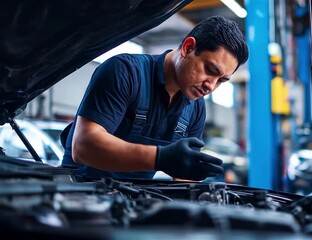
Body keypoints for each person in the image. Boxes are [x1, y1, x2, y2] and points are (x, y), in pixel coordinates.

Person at [61, 16, 249, 181]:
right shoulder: (125, 72)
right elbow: (83, 146)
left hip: (137, 203)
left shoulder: (196, 107)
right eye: (210, 70)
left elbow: (183, 176)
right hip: (82, 197)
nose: (211, 86)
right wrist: (160, 158)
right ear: (188, 48)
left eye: (221, 81)